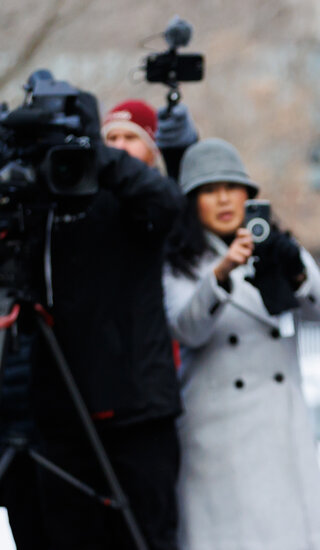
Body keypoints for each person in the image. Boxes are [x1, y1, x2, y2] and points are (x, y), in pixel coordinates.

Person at [12, 85, 184, 550]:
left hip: (137, 413)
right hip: (61, 414)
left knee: (146, 538)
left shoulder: (139, 202)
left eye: (130, 140)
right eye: (112, 137)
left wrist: (96, 153)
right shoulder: (44, 202)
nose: (119, 147)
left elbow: (167, 204)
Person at [163, 138, 320, 550]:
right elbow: (186, 329)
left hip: (282, 426)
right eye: (209, 190)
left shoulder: (277, 245)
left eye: (232, 186)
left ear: (249, 195)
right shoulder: (181, 262)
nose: (224, 199)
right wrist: (221, 274)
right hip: (217, 435)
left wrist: (297, 273)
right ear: (192, 202)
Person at [103, 99, 199, 180]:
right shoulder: (94, 196)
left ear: (153, 146)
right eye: (112, 138)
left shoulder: (168, 195)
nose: (119, 146)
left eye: (130, 137)